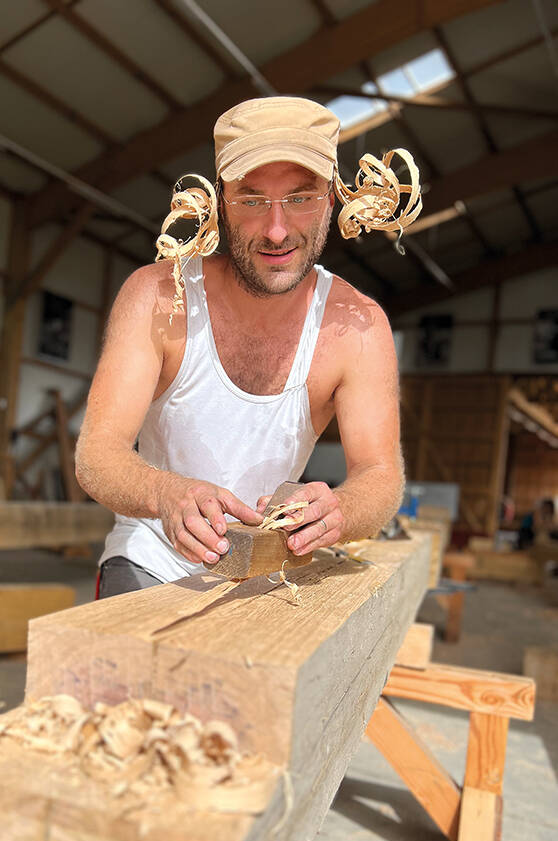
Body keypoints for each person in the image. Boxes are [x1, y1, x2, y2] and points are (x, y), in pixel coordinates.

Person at [76, 96, 416, 598]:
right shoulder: (157, 296)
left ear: (332, 198)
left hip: (265, 573)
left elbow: (381, 475)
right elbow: (96, 455)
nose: (277, 230)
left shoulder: (360, 326)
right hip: (149, 559)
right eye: (252, 200)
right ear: (219, 199)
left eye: (300, 198)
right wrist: (165, 492)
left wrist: (339, 512)